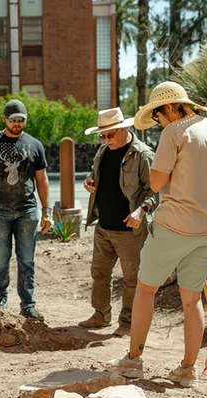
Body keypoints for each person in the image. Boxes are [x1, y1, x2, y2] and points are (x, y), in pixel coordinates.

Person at [102, 81, 207, 387]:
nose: (158, 122)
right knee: (192, 300)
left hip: (173, 226)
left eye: (158, 116)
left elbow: (156, 183)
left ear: (171, 107)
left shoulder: (174, 132)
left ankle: (133, 361)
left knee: (146, 289)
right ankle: (188, 370)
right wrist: (203, 202)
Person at [79, 107, 159, 337]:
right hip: (103, 226)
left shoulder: (143, 154)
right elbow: (98, 176)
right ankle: (100, 314)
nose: (106, 139)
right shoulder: (103, 151)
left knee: (132, 278)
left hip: (129, 231)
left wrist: (141, 211)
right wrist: (90, 180)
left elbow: (156, 190)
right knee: (99, 273)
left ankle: (128, 321)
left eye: (110, 134)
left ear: (125, 129)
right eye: (102, 136)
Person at [0, 99, 52, 321]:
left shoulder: (35, 145)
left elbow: (42, 179)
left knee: (26, 259)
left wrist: (47, 211)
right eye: (13, 120)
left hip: (27, 210)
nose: (17, 124)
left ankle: (28, 304)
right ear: (4, 119)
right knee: (0, 258)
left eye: (21, 120)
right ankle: (0, 301)